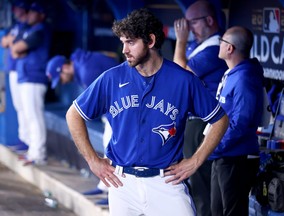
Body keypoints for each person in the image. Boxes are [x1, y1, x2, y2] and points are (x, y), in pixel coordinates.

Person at [66, 8, 228, 216]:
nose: (124, 49)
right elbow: (74, 114)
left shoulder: (183, 80)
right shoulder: (111, 78)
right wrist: (92, 160)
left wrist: (195, 160)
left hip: (166, 181)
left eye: (131, 42)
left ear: (150, 41)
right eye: (123, 42)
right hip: (122, 183)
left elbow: (220, 119)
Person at [173, 1, 228, 215]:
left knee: (201, 186)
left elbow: (180, 74)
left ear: (210, 21)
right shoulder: (200, 45)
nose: (188, 28)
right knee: (194, 186)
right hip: (195, 123)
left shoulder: (215, 47)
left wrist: (180, 41)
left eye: (192, 23)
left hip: (204, 123)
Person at [46, 48, 119, 206]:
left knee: (113, 150)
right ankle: (105, 187)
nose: (62, 81)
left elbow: (110, 96)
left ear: (64, 68)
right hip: (113, 111)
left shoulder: (86, 70)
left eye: (61, 77)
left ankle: (114, 192)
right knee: (109, 148)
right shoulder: (80, 65)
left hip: (119, 113)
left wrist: (113, 120)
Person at [210, 26, 264, 216]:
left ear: (230, 48)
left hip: (236, 157)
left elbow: (241, 122)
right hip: (222, 154)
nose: (219, 45)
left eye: (222, 41)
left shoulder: (244, 77)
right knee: (216, 211)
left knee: (233, 212)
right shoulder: (233, 73)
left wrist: (215, 145)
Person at [10, 2, 51, 165]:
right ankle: (33, 151)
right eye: (31, 12)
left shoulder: (41, 29)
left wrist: (17, 50)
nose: (31, 15)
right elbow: (14, 48)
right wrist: (17, 50)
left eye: (35, 12)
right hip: (27, 76)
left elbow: (18, 47)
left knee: (34, 116)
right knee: (28, 114)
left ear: (42, 15)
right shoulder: (28, 28)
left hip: (35, 77)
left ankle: (38, 154)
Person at [0, 1, 30, 152]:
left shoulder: (28, 27)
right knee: (19, 106)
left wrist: (12, 43)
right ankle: (23, 138)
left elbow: (17, 47)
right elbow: (4, 41)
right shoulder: (16, 25)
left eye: (19, 8)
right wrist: (11, 42)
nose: (16, 11)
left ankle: (28, 141)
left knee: (26, 108)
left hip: (23, 71)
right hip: (13, 69)